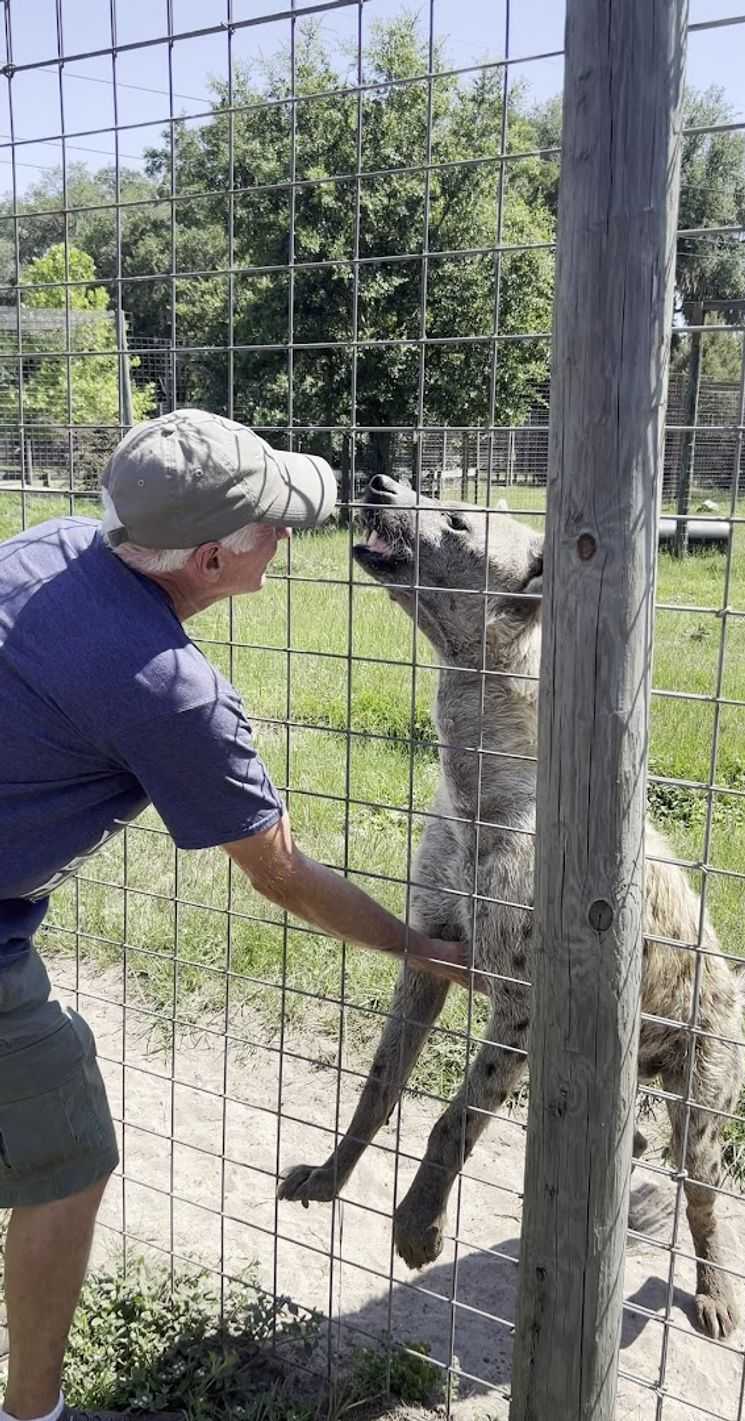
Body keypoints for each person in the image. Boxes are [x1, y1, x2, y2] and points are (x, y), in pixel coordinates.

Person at [0, 409, 476, 1421]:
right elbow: (283, 874)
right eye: (271, 524)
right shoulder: (171, 691)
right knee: (67, 1150)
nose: (288, 537)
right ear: (211, 559)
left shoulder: (54, 547)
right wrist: (417, 946)